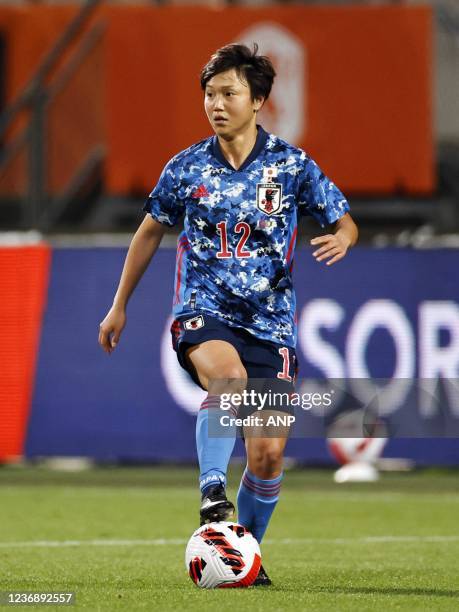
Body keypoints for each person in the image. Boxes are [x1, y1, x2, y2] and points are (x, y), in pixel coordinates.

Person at [99, 43, 358, 586]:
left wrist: (342, 238)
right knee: (228, 378)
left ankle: (242, 554)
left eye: (229, 93)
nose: (216, 104)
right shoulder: (186, 167)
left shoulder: (291, 165)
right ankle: (212, 491)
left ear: (258, 99)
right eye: (209, 95)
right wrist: (119, 304)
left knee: (266, 458)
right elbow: (150, 230)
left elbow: (343, 218)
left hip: (271, 325)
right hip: (204, 309)